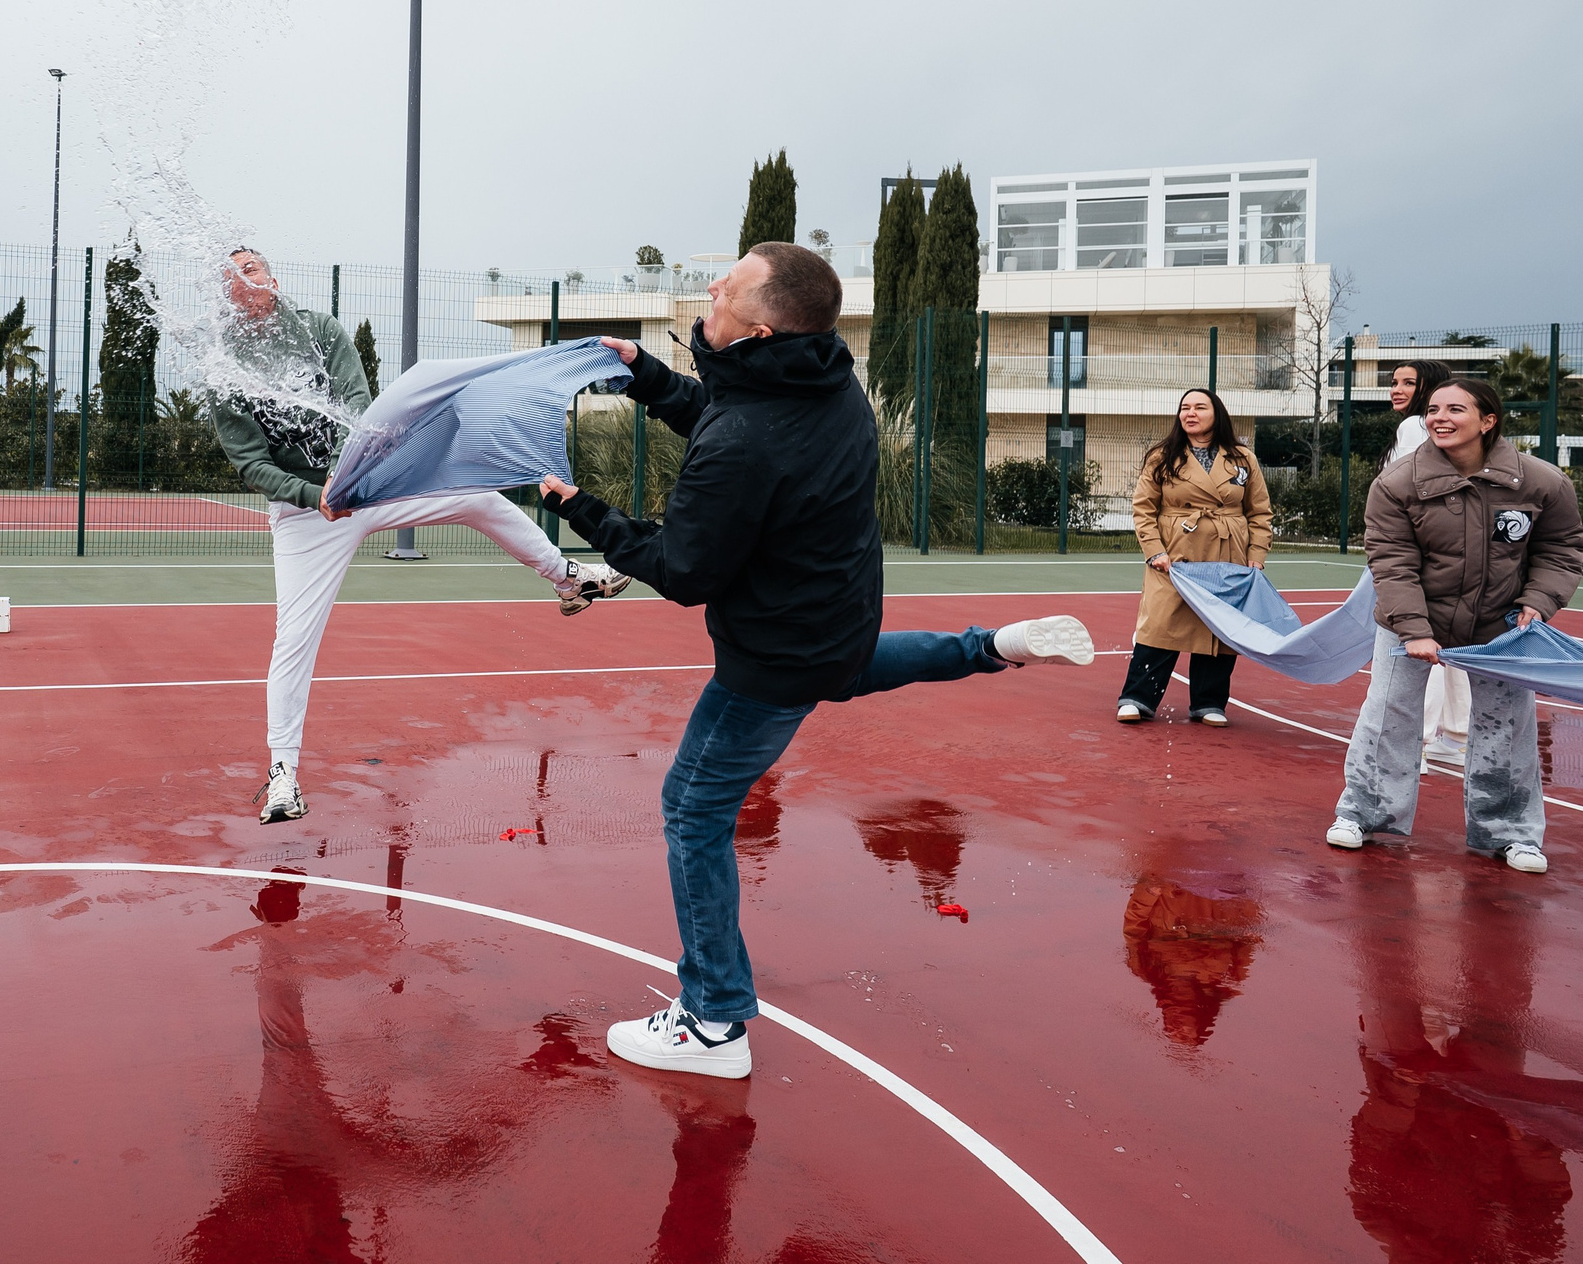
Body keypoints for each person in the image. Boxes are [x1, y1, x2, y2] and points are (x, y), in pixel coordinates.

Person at [533, 243, 1093, 1080]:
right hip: (833, 624)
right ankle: (991, 646)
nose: (712, 285)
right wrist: (649, 375)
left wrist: (583, 510)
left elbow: (684, 569)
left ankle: (715, 1021)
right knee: (854, 666)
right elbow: (728, 412)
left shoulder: (750, 436)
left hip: (775, 656)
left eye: (729, 285)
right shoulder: (822, 377)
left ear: (758, 329)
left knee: (692, 811)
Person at [209, 248, 627, 825]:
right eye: (231, 274)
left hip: (367, 483)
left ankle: (569, 579)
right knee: (294, 640)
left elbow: (359, 401)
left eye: (250, 265)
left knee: (479, 496)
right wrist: (317, 496)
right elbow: (251, 464)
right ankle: (283, 775)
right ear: (226, 297)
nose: (243, 276)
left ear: (272, 277)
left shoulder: (319, 330)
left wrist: (349, 469)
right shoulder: (226, 368)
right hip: (308, 514)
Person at [1330, 378, 1583, 873]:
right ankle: (1362, 813)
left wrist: (1538, 601)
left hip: (1500, 625)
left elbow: (1561, 547)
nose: (1439, 418)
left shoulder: (1541, 482)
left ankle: (1510, 833)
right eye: (1433, 409)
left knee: (1506, 726)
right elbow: (1392, 562)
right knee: (1389, 715)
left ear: (1488, 421)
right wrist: (1413, 629)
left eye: (1455, 409)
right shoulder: (1397, 483)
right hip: (1409, 621)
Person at [1117, 389, 1273, 726]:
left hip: (1227, 553)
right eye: (1185, 408)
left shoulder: (1243, 458)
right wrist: (1154, 551)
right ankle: (1137, 698)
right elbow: (1143, 508)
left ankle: (1209, 702)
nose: (1190, 413)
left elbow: (1260, 511)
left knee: (1219, 628)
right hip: (1174, 554)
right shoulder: (1162, 456)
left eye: (1199, 407)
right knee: (1160, 623)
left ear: (1216, 413)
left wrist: (1256, 556)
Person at [1385, 359, 1470, 765]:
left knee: (1423, 648)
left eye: (1408, 382)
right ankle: (1456, 738)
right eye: (1394, 382)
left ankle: (1413, 740)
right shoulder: (1458, 436)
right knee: (1458, 650)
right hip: (1458, 553)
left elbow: (1407, 491)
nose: (1396, 389)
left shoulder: (1415, 427)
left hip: (1420, 553)